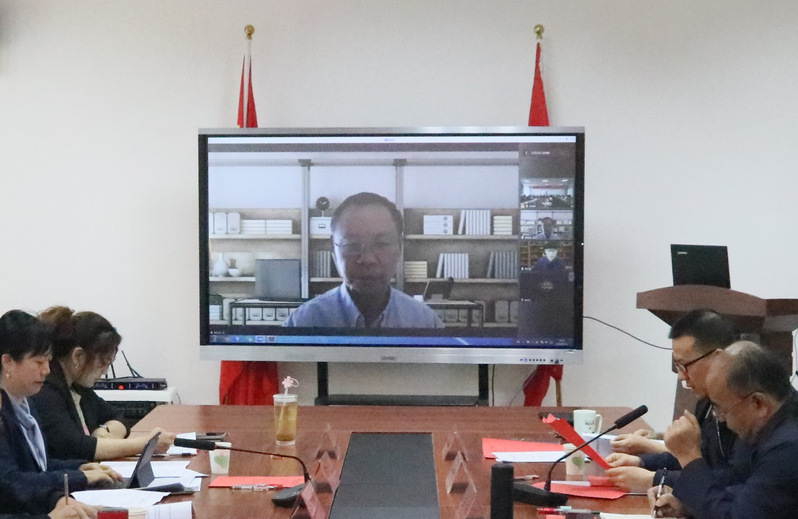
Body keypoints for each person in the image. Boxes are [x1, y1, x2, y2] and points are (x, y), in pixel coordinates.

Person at [650, 341, 798, 519]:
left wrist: (689, 458)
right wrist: (688, 506)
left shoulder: (787, 448)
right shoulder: (775, 423)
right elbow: (750, 490)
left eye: (722, 410)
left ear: (758, 403)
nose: (724, 421)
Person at [0, 310, 122, 516]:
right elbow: (10, 482)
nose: (47, 370)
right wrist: (77, 479)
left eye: (48, 361)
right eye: (39, 362)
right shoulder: (6, 412)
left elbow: (40, 466)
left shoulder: (24, 404)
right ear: (8, 362)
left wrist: (80, 468)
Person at [606, 309, 739, 492]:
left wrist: (654, 479)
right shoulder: (706, 403)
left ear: (718, 358)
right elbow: (693, 462)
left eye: (685, 365)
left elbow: (728, 480)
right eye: (677, 366)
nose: (681, 376)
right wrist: (641, 462)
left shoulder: (743, 411)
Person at [30, 306, 175, 461]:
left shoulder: (78, 386)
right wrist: (146, 444)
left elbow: (118, 416)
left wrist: (105, 431)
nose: (105, 371)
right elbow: (74, 447)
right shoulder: (46, 389)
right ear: (78, 356)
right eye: (104, 361)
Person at [285, 192, 444, 328]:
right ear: (333, 248)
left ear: (399, 248)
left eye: (381, 244)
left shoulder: (425, 322)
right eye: (352, 245)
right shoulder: (303, 322)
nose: (368, 259)